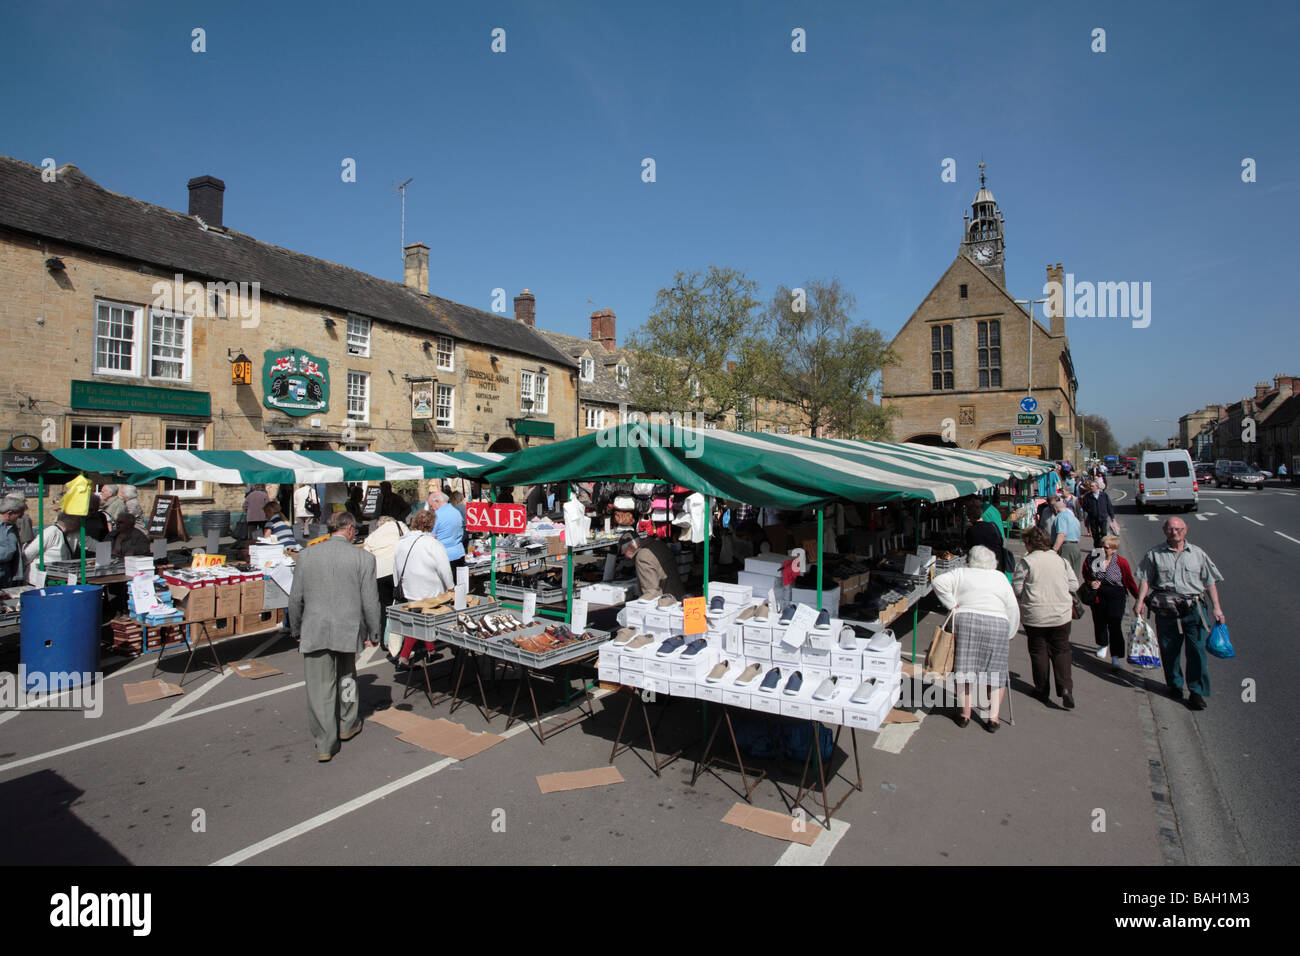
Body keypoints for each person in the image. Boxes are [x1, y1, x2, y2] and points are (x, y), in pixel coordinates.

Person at [288, 511, 380, 762]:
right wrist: (374, 630)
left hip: (315, 627)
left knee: (319, 688)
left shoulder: (306, 556)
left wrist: (295, 628)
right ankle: (348, 723)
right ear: (349, 529)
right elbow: (371, 601)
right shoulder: (363, 558)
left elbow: (295, 598)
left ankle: (325, 742)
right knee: (347, 676)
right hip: (348, 627)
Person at [1135, 517, 1225, 710]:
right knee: (1169, 649)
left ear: (1185, 530)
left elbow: (1209, 582)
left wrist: (1217, 607)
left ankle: (1196, 692)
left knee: (1197, 650)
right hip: (1167, 609)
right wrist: (1140, 601)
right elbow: (1145, 579)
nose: (1174, 532)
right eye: (1170, 529)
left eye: (1178, 529)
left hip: (1194, 608)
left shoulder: (1197, 553)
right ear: (1164, 530)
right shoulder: (1155, 554)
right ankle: (1175, 684)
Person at [932, 544, 1020, 732]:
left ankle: (965, 714)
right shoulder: (1000, 577)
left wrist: (952, 604)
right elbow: (1012, 607)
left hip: (967, 619)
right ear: (993, 562)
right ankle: (993, 718)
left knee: (964, 669)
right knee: (996, 672)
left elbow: (938, 582)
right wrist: (1010, 632)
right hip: (997, 622)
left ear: (970, 560)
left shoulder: (962, 572)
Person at [1013, 526, 1079, 708]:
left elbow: (1018, 587)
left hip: (1035, 614)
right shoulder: (1061, 561)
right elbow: (1074, 585)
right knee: (1062, 650)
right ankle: (1065, 688)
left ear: (1029, 543)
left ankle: (1042, 689)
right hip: (1061, 614)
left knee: (1038, 651)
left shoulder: (1026, 562)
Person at [391, 510, 453, 665]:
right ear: (431, 524)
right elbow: (444, 568)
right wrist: (451, 587)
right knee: (423, 621)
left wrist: (397, 584)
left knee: (421, 620)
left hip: (408, 587)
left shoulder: (402, 541)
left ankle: (430, 651)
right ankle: (404, 658)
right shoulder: (433, 544)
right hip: (429, 587)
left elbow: (396, 567)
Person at [1082, 535, 1140, 669]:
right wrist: (1091, 582)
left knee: (1115, 624)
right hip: (1098, 594)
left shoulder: (1121, 562)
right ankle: (1103, 644)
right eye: (1101, 546)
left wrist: (1138, 598)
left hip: (1116, 594)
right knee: (1100, 621)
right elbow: (1085, 572)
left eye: (1106, 547)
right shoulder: (1094, 558)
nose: (1102, 549)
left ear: (1114, 550)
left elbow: (1129, 581)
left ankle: (1115, 656)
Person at [362, 514, 408, 629]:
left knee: (384, 605)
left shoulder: (372, 536)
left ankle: (384, 637)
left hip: (380, 573)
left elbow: (366, 554)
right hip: (397, 570)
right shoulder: (399, 525)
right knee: (402, 602)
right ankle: (402, 634)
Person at [620, 531, 684, 601]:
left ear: (630, 547)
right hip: (678, 594)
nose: (625, 557)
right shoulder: (659, 545)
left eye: (624, 553)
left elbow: (652, 592)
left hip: (666, 602)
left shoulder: (642, 556)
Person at [23, 513, 79, 584]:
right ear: (71, 522)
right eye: (77, 521)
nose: (79, 524)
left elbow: (89, 543)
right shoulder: (50, 532)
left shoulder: (72, 534)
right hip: (39, 578)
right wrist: (22, 568)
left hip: (56, 577)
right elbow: (29, 552)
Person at [1049, 495, 1084, 582]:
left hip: (1066, 548)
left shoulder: (1061, 516)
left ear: (1055, 509)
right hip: (1075, 547)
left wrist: (1054, 550)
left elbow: (1062, 534)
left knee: (1064, 576)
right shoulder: (1073, 517)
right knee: (1074, 578)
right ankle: (1074, 595)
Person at [428, 490, 466, 570]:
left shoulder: (436, 516)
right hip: (458, 553)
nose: (431, 508)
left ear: (437, 501)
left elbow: (430, 537)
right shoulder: (456, 512)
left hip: (443, 556)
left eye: (431, 505)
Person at [1080, 479, 1117, 549]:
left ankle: (1103, 547)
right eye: (1090, 486)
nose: (1091, 488)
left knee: (1104, 533)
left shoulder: (1104, 495)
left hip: (1103, 517)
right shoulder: (1087, 496)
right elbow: (1084, 507)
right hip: (1093, 518)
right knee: (1095, 534)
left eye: (1092, 486)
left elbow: (1109, 506)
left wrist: (1112, 517)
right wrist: (1090, 511)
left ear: (1097, 487)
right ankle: (1097, 548)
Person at [0, 495, 27, 586]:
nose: (19, 519)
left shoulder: (13, 527)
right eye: (18, 516)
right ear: (9, 513)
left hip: (7, 574)